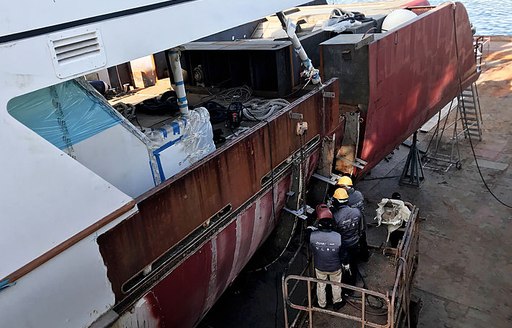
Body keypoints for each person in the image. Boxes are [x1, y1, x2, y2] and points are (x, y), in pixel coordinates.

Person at [309, 204, 346, 310]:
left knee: (321, 285)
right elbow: (343, 254)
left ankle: (322, 304)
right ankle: (337, 302)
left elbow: (308, 239)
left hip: (320, 267)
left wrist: (310, 229)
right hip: (335, 267)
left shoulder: (312, 236)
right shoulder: (338, 237)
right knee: (336, 285)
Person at [331, 188, 362, 289]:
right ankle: (352, 283)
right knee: (353, 263)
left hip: (343, 246)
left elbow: (334, 234)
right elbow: (361, 229)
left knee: (343, 266)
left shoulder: (335, 216)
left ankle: (345, 286)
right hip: (355, 242)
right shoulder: (357, 212)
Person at [336, 176, 369, 261]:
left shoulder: (348, 199)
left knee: (353, 242)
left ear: (345, 187)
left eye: (340, 187)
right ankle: (365, 256)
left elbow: (345, 211)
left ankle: (351, 260)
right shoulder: (358, 194)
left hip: (354, 223)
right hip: (362, 221)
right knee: (363, 240)